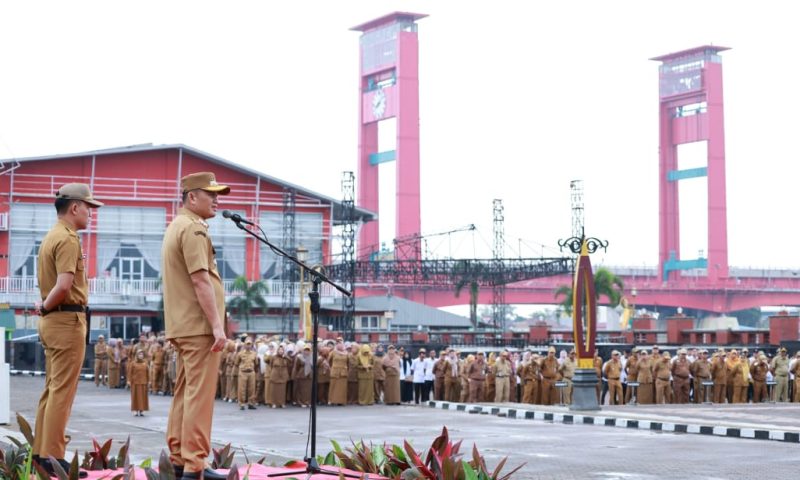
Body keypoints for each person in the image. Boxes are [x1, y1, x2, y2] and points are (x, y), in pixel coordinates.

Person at [162, 172, 230, 480]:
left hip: (184, 326)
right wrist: (217, 326)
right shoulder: (193, 230)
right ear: (192, 197)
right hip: (199, 327)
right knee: (199, 398)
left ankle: (180, 458)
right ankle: (194, 464)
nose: (217, 199)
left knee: (185, 393)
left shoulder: (177, 226)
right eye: (210, 193)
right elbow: (200, 280)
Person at [32, 183, 103, 478]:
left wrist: (46, 307)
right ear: (74, 207)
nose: (90, 213)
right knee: (63, 392)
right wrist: (47, 306)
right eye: (88, 207)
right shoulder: (68, 239)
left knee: (52, 389)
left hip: (55, 322)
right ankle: (55, 459)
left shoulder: (52, 236)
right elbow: (63, 286)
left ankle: (41, 452)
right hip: (65, 320)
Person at [236, 338, 259, 410]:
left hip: (251, 372)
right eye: (247, 344)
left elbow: (256, 364)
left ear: (252, 345)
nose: (248, 346)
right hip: (243, 372)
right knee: (242, 389)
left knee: (252, 389)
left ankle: (251, 403)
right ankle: (242, 404)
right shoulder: (240, 353)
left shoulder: (254, 354)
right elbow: (236, 363)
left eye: (250, 344)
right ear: (244, 345)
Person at [328, 339, 349, 406]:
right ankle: (332, 400)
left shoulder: (346, 353)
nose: (340, 345)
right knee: (333, 386)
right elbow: (328, 361)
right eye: (338, 343)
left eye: (341, 343)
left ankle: (341, 401)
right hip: (335, 372)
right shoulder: (333, 352)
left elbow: (348, 363)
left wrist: (346, 369)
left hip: (343, 372)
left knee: (342, 388)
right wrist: (332, 368)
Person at [129, 350, 150, 417]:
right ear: (137, 355)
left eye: (142, 354)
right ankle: (135, 410)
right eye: (139, 354)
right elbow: (130, 372)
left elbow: (147, 373)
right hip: (135, 382)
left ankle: (141, 410)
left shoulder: (145, 363)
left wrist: (149, 381)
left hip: (143, 382)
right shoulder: (133, 363)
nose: (141, 356)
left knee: (143, 397)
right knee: (135, 396)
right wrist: (129, 381)